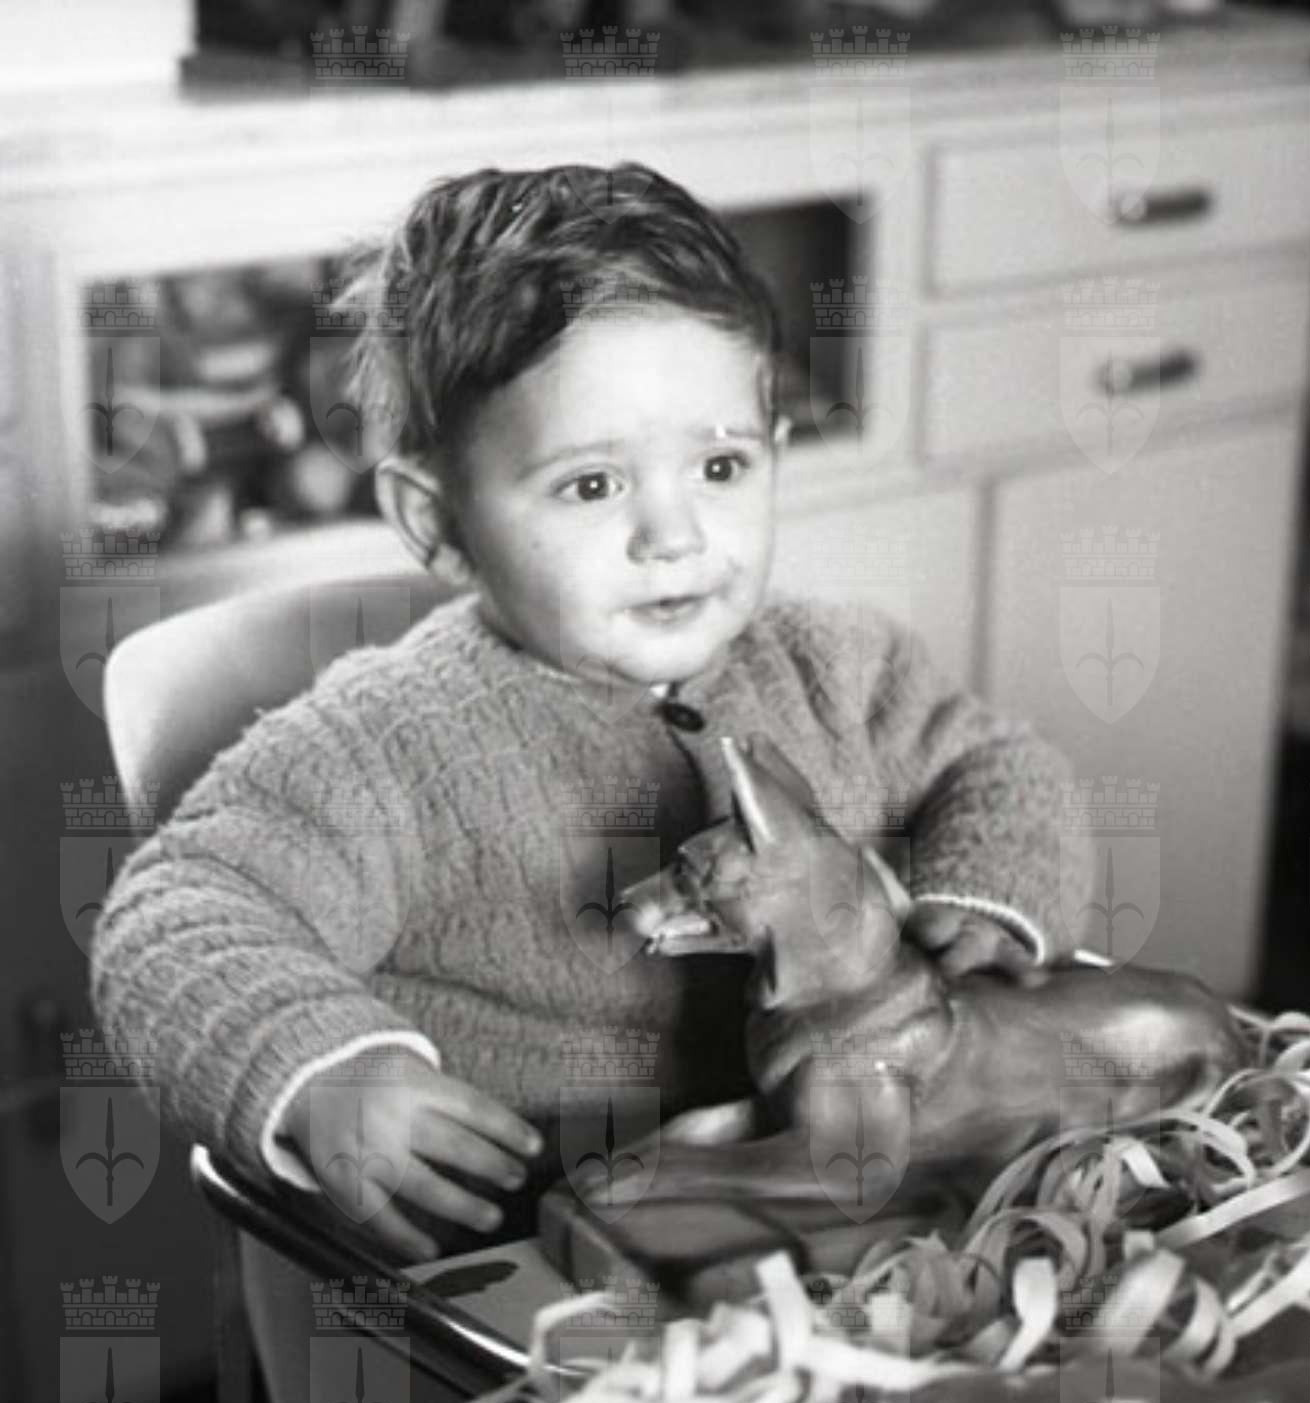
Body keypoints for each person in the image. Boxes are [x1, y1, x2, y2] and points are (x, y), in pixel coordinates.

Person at [90, 163, 1091, 1264]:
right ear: (437, 521)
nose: (675, 535)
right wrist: (328, 1070)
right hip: (545, 1268)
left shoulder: (839, 665)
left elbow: (1000, 766)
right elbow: (176, 914)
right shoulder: (388, 747)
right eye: (593, 485)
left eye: (719, 466)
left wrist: (981, 899)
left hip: (860, 1224)